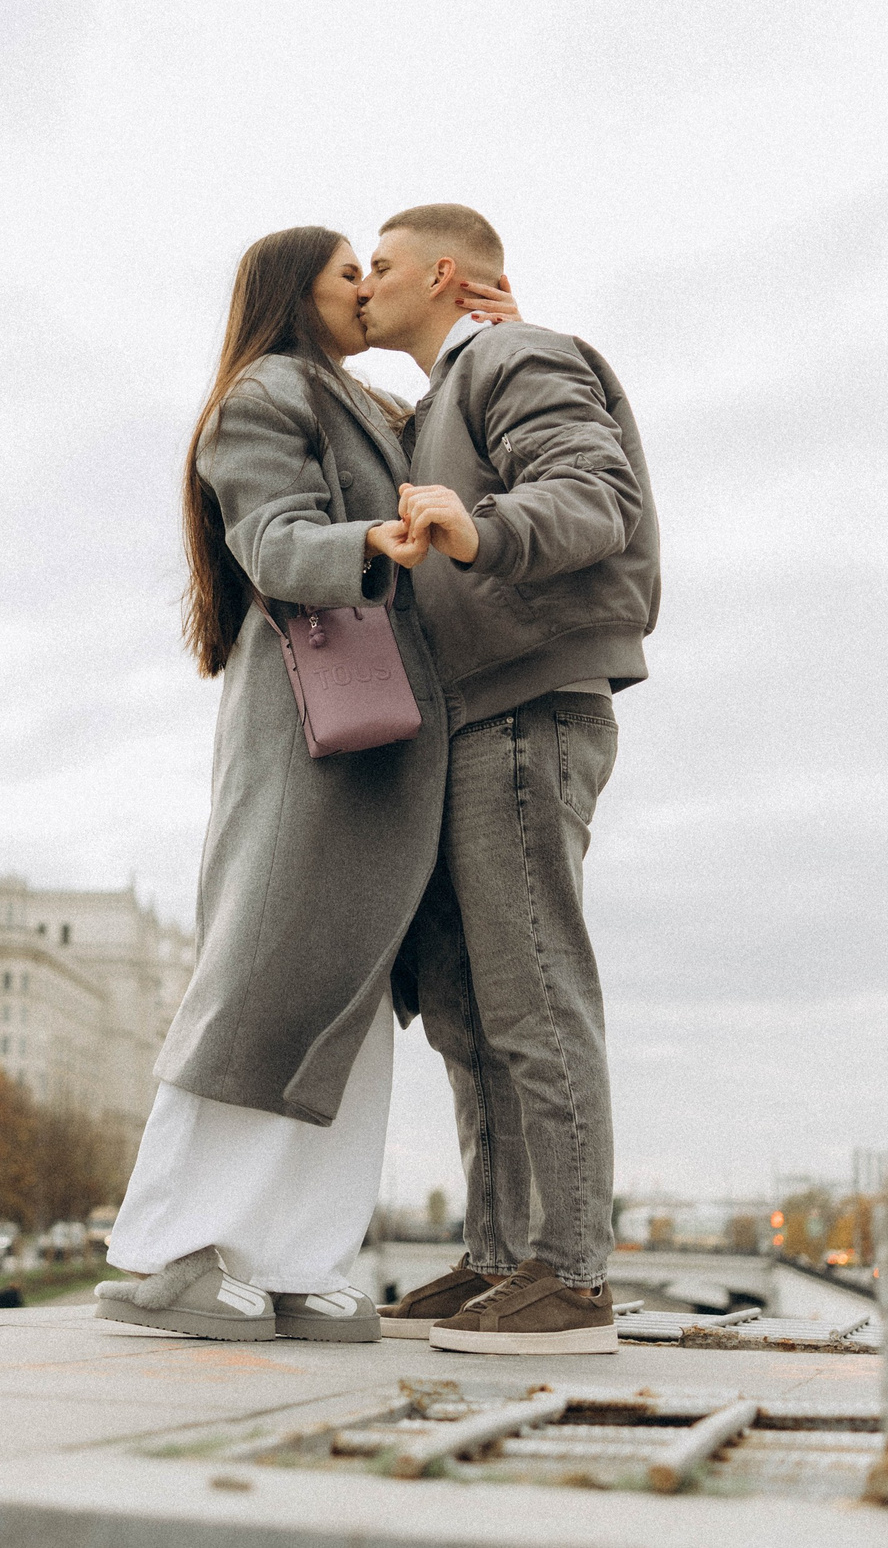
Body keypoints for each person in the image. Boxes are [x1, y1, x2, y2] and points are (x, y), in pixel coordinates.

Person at [95, 226, 515, 1342]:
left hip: (374, 742)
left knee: (344, 999)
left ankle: (295, 1257)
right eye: (349, 275)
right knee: (264, 982)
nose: (368, 289)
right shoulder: (265, 394)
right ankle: (168, 1253)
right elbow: (271, 542)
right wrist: (369, 540)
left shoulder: (363, 403)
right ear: (298, 293)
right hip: (313, 732)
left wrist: (482, 337)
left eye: (378, 273)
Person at [356, 203, 660, 1357]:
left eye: (379, 265)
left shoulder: (517, 355)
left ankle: (570, 1277)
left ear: (442, 275)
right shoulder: (451, 387)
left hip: (531, 709)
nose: (364, 281)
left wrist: (476, 528)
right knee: (468, 1010)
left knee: (533, 993)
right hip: (469, 722)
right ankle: (499, 1259)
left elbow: (595, 496)